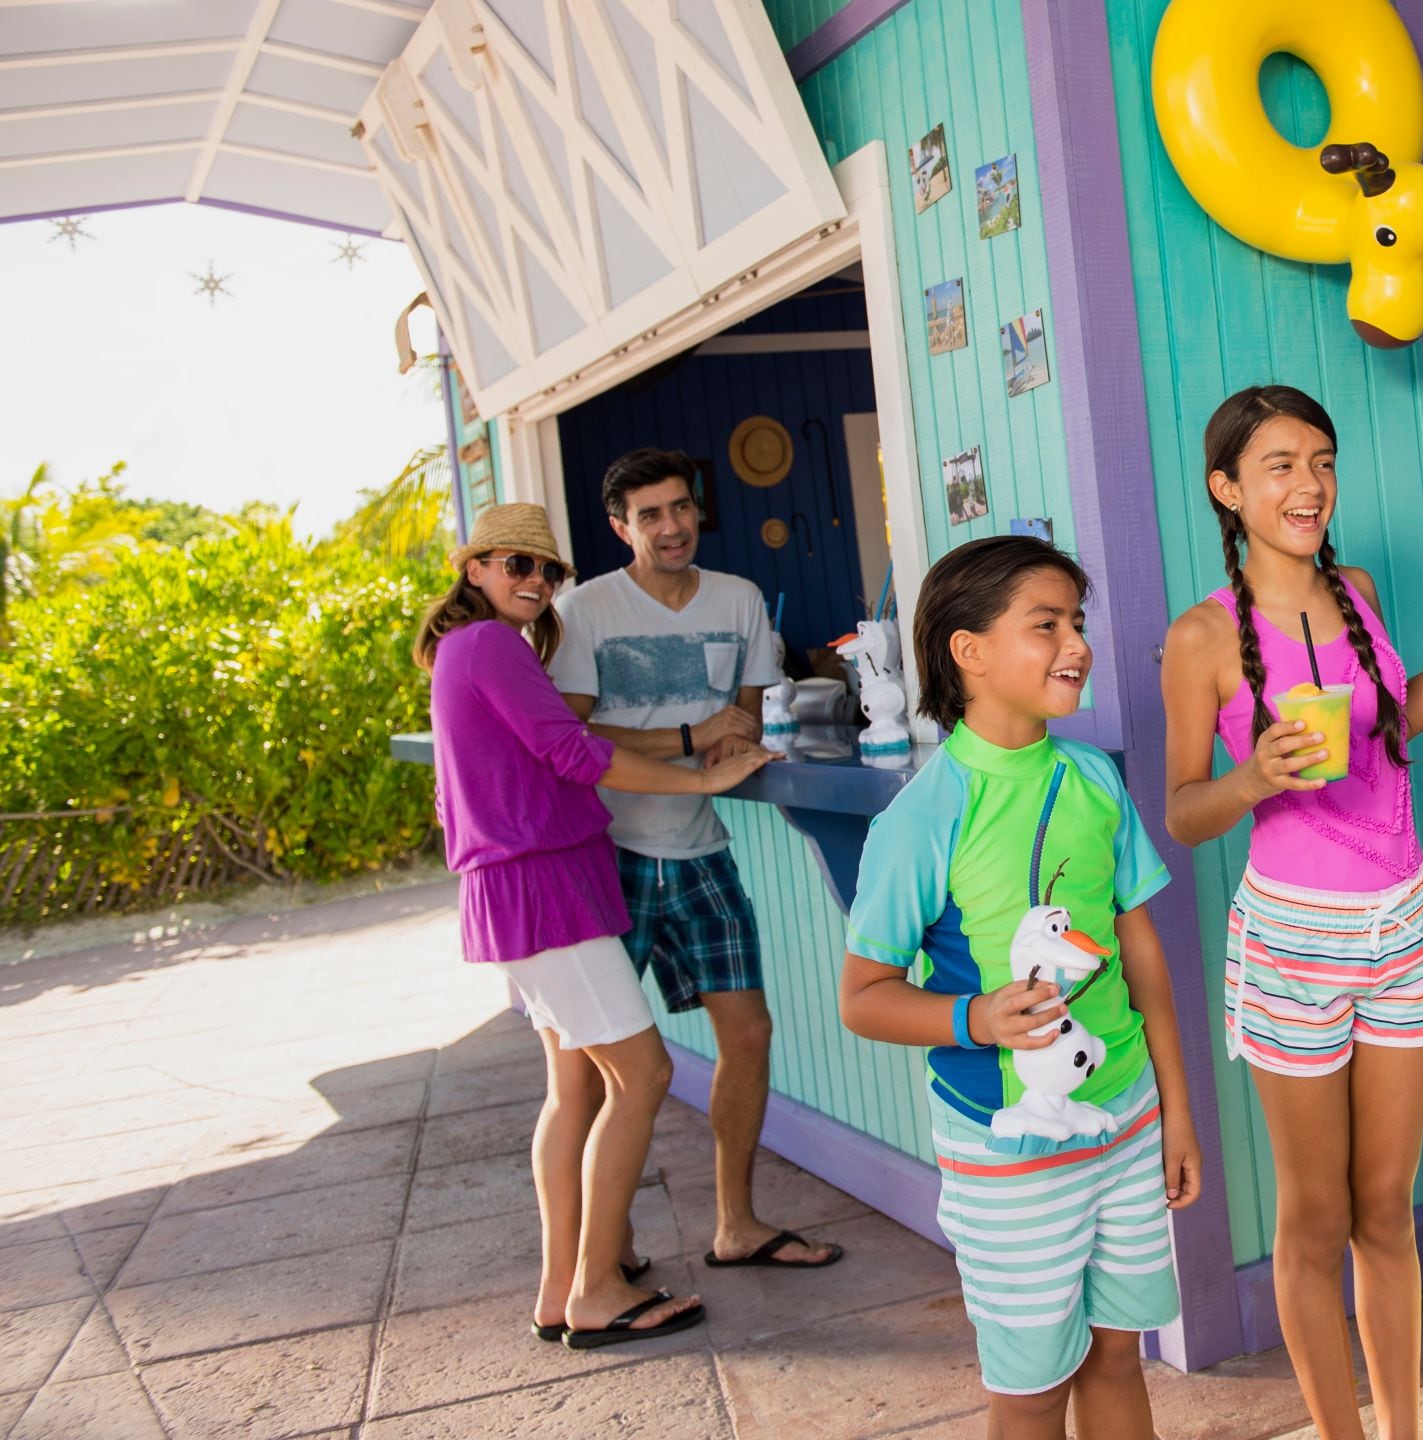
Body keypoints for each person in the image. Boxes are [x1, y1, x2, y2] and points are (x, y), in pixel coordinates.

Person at [1157, 384, 1423, 1440]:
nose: (1309, 484)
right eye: (1279, 465)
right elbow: (1182, 813)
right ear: (1227, 489)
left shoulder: (1355, 591)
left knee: (1384, 1210)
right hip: (1293, 944)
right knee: (1316, 1220)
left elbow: (1394, 722)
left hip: (1402, 925)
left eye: (1321, 461)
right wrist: (1253, 778)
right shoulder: (1202, 637)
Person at [838, 536, 1202, 1440]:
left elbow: (1141, 955)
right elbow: (864, 996)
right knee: (1034, 1387)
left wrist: (1176, 1112)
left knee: (1119, 1356)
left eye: (1077, 622)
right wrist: (977, 1019)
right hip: (1007, 1153)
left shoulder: (1094, 778)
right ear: (968, 650)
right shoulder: (922, 817)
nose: (1077, 644)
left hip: (1128, 1119)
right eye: (1047, 625)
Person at [414, 502, 770, 1348]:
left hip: (521, 890)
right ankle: (599, 1289)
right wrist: (703, 782)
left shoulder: (466, 650)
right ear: (474, 570)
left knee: (573, 1089)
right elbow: (575, 753)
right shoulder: (490, 645)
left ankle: (559, 1288)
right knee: (642, 1076)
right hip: (546, 891)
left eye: (547, 571)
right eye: (517, 565)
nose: (536, 582)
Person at [549, 448, 843, 1272]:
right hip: (606, 856)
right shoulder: (585, 610)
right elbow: (570, 737)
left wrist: (729, 740)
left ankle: (736, 1225)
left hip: (700, 851)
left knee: (747, 1034)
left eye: (681, 507)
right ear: (621, 528)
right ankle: (601, 1252)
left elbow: (744, 719)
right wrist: (690, 736)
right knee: (591, 1065)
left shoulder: (737, 599)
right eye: (650, 515)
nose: (672, 526)